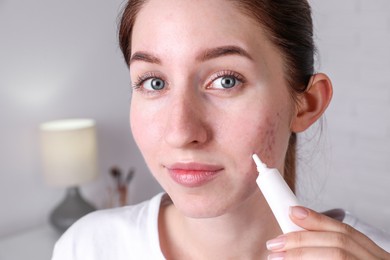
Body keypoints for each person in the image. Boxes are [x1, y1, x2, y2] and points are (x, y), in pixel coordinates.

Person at [52, 0, 390, 259]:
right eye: (154, 82)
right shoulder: (87, 248)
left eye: (226, 80)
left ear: (307, 104)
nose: (181, 132)